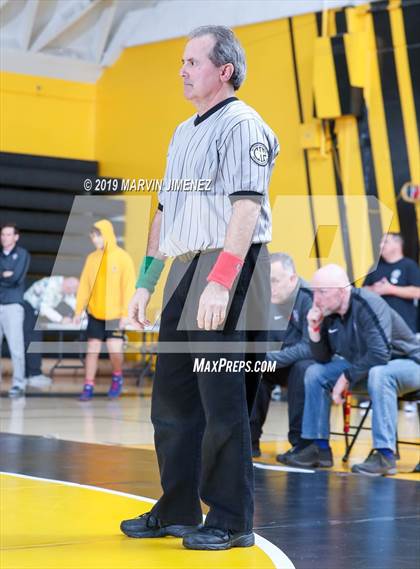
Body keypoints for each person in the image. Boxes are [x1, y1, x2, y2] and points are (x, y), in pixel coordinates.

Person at [120, 26, 279, 551]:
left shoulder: (243, 125)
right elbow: (166, 210)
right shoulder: (183, 131)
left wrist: (220, 281)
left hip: (230, 268)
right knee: (172, 401)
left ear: (224, 70)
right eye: (182, 61)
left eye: (192, 61)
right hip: (187, 268)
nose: (182, 70)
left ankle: (232, 520)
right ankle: (178, 509)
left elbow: (247, 207)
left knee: (222, 404)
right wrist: (146, 282)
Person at [286, 264, 393, 468]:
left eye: (322, 292)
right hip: (364, 366)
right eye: (314, 292)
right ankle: (319, 449)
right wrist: (314, 329)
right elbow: (323, 358)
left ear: (342, 291)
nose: (316, 299)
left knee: (380, 373)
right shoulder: (330, 312)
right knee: (315, 372)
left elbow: (381, 354)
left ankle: (385, 454)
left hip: (403, 361)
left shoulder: (367, 303)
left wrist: (345, 377)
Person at [250, 252, 315, 461]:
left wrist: (269, 359)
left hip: (306, 363)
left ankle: (301, 444)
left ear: (293, 279)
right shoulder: (266, 298)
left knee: (303, 369)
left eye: (274, 281)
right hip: (280, 361)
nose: (270, 287)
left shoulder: (310, 298)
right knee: (255, 370)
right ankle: (248, 440)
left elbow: (309, 347)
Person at [351, 309, 420, 476]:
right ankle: (314, 446)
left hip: (410, 360)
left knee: (381, 374)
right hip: (397, 363)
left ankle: (385, 455)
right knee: (381, 374)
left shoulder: (373, 308)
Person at [74, 220, 135, 401]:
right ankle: (88, 384)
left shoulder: (123, 258)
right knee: (92, 349)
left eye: (97, 236)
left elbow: (129, 287)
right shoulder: (91, 259)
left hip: (116, 315)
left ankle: (117, 377)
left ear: (106, 234)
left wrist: (126, 314)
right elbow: (85, 286)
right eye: (92, 237)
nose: (94, 241)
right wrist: (79, 310)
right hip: (95, 313)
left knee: (113, 349)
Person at [23, 276, 79, 386]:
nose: (72, 293)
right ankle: (33, 375)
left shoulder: (63, 286)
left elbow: (73, 301)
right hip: (28, 308)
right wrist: (61, 319)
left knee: (33, 340)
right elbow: (45, 309)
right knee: (33, 341)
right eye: (73, 291)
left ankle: (29, 374)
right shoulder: (52, 285)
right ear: (68, 287)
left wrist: (79, 316)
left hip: (35, 311)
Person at [363, 232, 420, 332]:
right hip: (379, 327)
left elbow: (417, 291)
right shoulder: (375, 267)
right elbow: (362, 291)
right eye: (380, 242)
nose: (381, 245)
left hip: (405, 328)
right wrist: (374, 289)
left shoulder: (409, 265)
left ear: (397, 244)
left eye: (385, 242)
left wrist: (390, 289)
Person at [0, 223, 30, 398]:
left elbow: (16, 278)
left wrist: (6, 277)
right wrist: (5, 275)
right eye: (3, 234)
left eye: (8, 235)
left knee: (16, 348)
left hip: (13, 305)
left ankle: (18, 383)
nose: (5, 238)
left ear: (16, 237)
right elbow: (8, 278)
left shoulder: (23, 254)